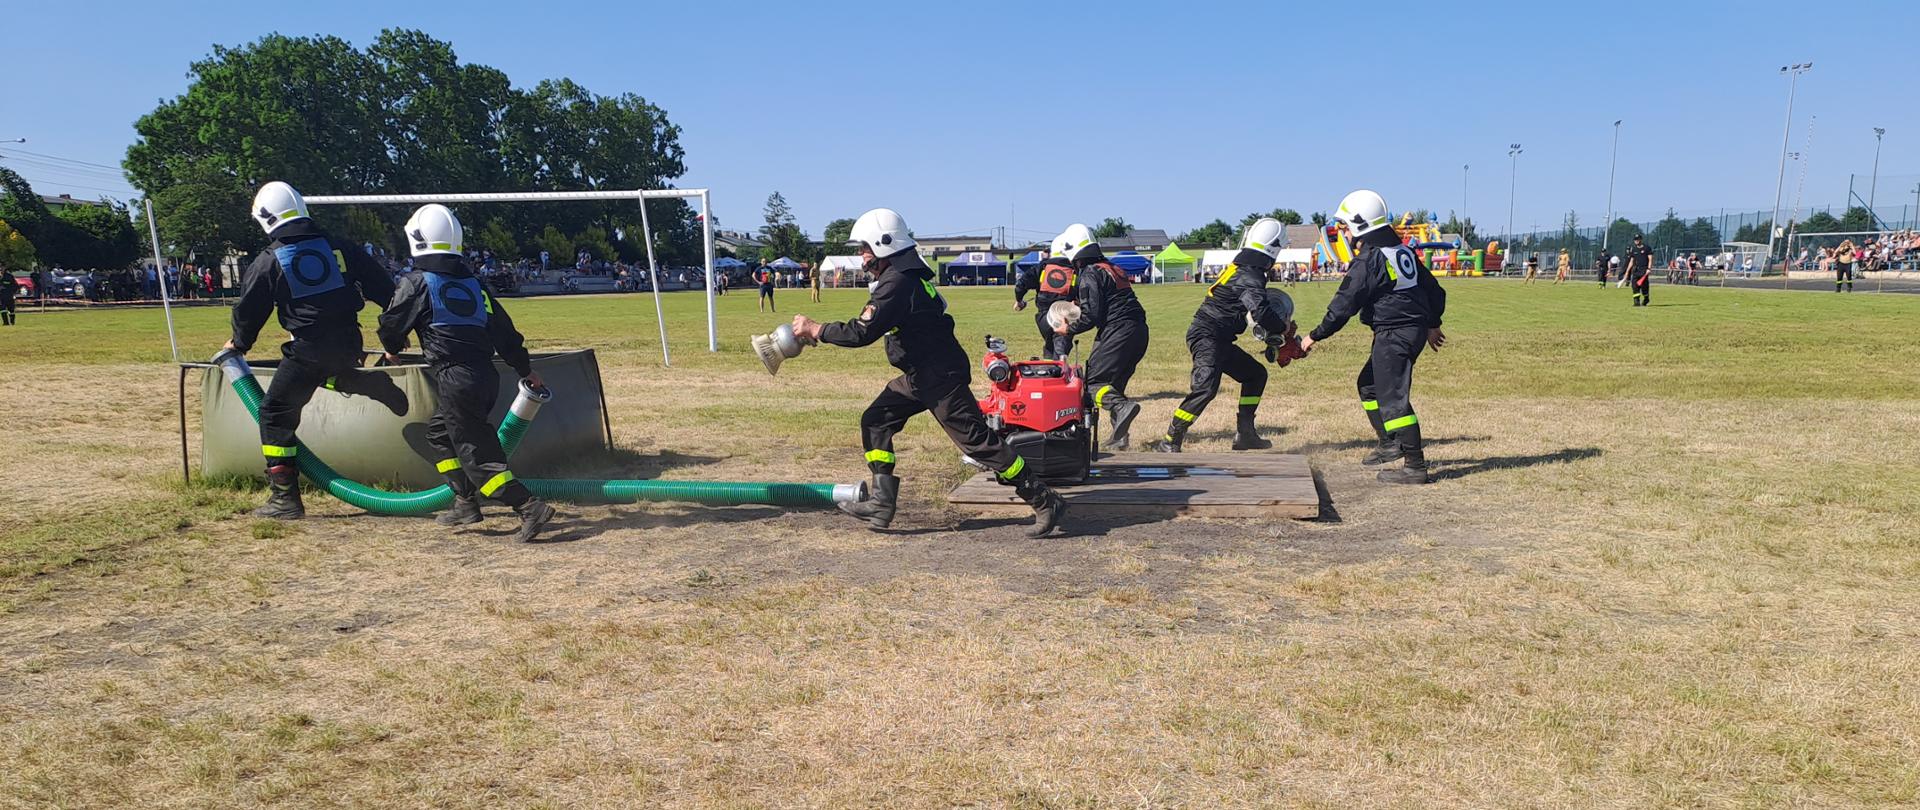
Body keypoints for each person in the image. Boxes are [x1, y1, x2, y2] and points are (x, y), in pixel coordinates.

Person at [789, 207, 1065, 537]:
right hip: (921, 375)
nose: (861, 257)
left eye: (864, 248)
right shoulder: (905, 279)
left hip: (940, 377)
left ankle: (1044, 499)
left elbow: (862, 332)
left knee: (979, 444)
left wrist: (817, 329)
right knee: (876, 420)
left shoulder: (898, 283)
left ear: (883, 244)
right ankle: (881, 501)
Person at [223, 181, 409, 519]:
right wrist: (395, 336)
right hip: (350, 342)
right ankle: (369, 384)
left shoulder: (270, 259)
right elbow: (387, 291)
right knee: (318, 375)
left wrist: (239, 342)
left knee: (274, 414)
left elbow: (250, 308)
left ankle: (285, 498)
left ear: (267, 218)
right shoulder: (341, 247)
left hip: (309, 346)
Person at [377, 205, 557, 542]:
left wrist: (392, 348)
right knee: (440, 436)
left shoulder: (417, 283)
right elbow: (505, 333)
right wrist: (525, 369)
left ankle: (528, 507)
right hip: (485, 376)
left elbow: (391, 323)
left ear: (418, 240)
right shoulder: (477, 286)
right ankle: (465, 502)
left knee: (479, 458)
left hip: (455, 379)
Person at [1298, 190, 1447, 485]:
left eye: (1345, 225)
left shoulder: (1370, 260)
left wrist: (1313, 336)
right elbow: (1435, 291)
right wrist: (1431, 323)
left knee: (1393, 397)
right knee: (1368, 385)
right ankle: (1390, 443)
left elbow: (1343, 306)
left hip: (1395, 333)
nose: (1343, 230)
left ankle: (1415, 466)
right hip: (1408, 330)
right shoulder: (1401, 251)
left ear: (1359, 225)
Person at [1146, 218, 1295, 454]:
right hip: (1208, 335)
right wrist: (1282, 329)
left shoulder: (1245, 269)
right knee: (1205, 388)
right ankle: (1170, 439)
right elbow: (1261, 311)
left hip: (1219, 336)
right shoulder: (1250, 275)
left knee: (1255, 375)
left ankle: (1245, 434)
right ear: (1272, 249)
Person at [1049, 223, 1149, 450]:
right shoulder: (1109, 267)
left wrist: (1068, 329)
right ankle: (1119, 439)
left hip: (1118, 331)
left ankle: (1121, 407)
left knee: (1093, 383)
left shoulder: (1090, 274)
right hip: (1139, 331)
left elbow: (1092, 315)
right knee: (1114, 384)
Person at [1012, 245, 1078, 360]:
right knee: (1060, 351)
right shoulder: (1076, 270)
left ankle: (1049, 365)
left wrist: (1019, 301)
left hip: (1044, 318)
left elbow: (1020, 285)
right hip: (1064, 318)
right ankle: (1058, 368)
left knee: (1049, 344)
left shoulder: (1042, 267)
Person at [1626, 233, 1654, 306]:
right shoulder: (1634, 249)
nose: (1636, 241)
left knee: (1644, 286)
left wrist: (1649, 268)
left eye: (1638, 239)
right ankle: (1636, 301)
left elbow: (1650, 259)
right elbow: (1631, 261)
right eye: (1635, 240)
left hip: (1644, 270)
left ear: (1641, 239)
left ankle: (1646, 298)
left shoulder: (1647, 248)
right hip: (1636, 270)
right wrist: (1627, 271)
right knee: (1634, 285)